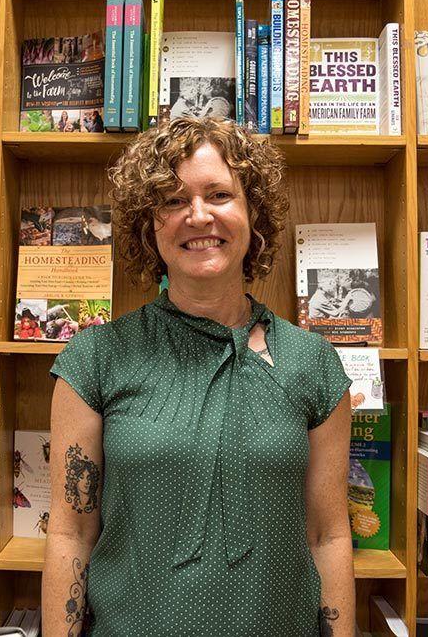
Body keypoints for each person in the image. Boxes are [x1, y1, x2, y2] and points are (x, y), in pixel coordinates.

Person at [43, 116, 355, 636]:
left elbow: (328, 535)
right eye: (172, 199)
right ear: (149, 225)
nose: (198, 215)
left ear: (254, 214)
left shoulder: (315, 365)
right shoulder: (94, 359)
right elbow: (71, 533)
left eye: (219, 194)